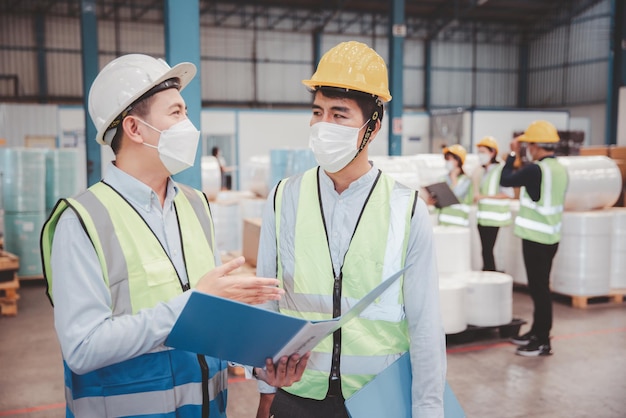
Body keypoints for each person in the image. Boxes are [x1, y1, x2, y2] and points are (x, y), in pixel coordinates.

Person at [40, 54, 308, 418]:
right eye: (177, 113)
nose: (189, 126)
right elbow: (83, 347)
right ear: (134, 129)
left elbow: (209, 324)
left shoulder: (195, 205)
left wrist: (260, 362)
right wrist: (191, 306)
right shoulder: (83, 220)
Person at [254, 41, 446, 418]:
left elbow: (426, 326)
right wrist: (265, 390)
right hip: (298, 395)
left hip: (379, 400)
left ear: (373, 127)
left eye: (339, 115)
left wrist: (428, 409)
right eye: (317, 112)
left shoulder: (405, 209)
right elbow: (267, 299)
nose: (324, 125)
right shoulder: (283, 197)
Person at [500, 120, 568, 357]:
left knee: (540, 291)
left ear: (537, 146)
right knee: (540, 289)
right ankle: (536, 331)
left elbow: (505, 179)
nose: (527, 148)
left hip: (536, 239)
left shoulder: (535, 169)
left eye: (528, 145)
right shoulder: (559, 168)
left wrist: (511, 153)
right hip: (550, 238)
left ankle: (542, 341)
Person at [472, 136, 514, 271]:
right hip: (484, 218)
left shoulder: (501, 170)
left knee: (489, 250)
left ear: (492, 152)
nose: (480, 155)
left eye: (483, 151)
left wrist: (484, 196)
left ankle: (492, 275)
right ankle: (487, 273)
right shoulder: (484, 171)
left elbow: (508, 194)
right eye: (479, 152)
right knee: (485, 251)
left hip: (495, 218)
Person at [437, 144, 473, 227]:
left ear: (458, 161)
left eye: (449, 159)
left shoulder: (466, 180)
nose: (447, 162)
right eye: (446, 159)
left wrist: (453, 178)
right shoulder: (443, 179)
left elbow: (456, 195)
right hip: (443, 223)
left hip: (459, 224)